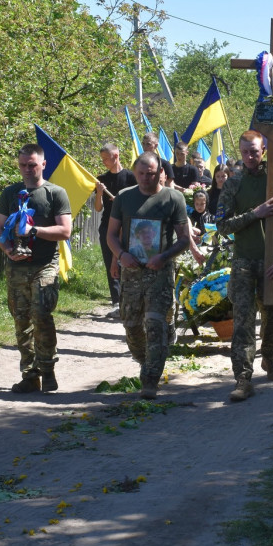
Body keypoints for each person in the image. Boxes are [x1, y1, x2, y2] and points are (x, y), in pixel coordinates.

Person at [217, 130, 273, 402]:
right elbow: (222, 225)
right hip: (242, 263)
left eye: (254, 151)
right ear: (239, 153)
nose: (250, 156)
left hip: (272, 262)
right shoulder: (233, 183)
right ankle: (242, 378)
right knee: (243, 321)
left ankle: (270, 357)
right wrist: (255, 214)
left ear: (264, 150)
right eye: (245, 152)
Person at [107, 152, 191, 399]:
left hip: (159, 273)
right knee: (132, 327)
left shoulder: (173, 198)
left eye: (151, 173)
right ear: (135, 172)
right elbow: (112, 234)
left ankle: (150, 380)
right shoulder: (124, 198)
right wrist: (120, 255)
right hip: (131, 273)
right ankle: (147, 362)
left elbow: (184, 239)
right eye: (141, 173)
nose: (145, 178)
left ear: (160, 173)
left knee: (155, 324)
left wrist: (163, 257)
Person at [0, 144, 72, 393]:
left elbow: (65, 231)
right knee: (21, 321)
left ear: (43, 164)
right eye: (22, 165)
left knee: (41, 316)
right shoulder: (11, 193)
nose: (27, 170)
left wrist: (33, 230)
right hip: (17, 267)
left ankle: (48, 370)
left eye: (32, 165)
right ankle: (30, 375)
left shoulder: (55, 193)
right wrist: (8, 250)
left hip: (44, 265)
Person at [93, 142, 135, 317]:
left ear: (115, 156)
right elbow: (97, 208)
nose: (103, 162)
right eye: (102, 159)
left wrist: (122, 199)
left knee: (125, 261)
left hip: (128, 227)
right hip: (107, 226)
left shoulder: (131, 178)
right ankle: (116, 301)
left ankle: (129, 298)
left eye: (106, 159)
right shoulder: (101, 179)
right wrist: (100, 193)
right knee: (109, 260)